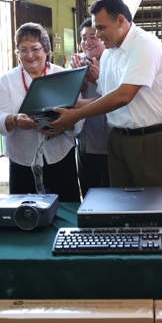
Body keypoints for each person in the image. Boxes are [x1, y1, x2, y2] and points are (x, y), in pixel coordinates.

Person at [50, 0, 162, 201]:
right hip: (119, 139)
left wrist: (75, 115)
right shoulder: (110, 52)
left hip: (152, 140)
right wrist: (66, 105)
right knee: (123, 207)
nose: (98, 35)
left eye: (101, 28)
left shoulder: (145, 44)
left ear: (120, 20)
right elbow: (105, 97)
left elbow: (123, 96)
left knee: (154, 209)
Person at [0, 22, 81, 202]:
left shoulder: (63, 75)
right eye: (23, 50)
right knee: (25, 211)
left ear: (46, 49)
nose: (29, 55)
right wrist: (15, 119)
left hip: (60, 156)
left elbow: (79, 116)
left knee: (66, 209)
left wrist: (66, 124)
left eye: (35, 49)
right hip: (22, 159)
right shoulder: (7, 80)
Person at [70, 18, 110, 198]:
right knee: (89, 196)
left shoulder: (113, 63)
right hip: (85, 144)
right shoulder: (76, 66)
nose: (87, 42)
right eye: (84, 38)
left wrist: (98, 79)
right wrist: (76, 82)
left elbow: (118, 98)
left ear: (103, 37)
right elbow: (68, 102)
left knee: (111, 196)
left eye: (93, 36)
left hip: (110, 146)